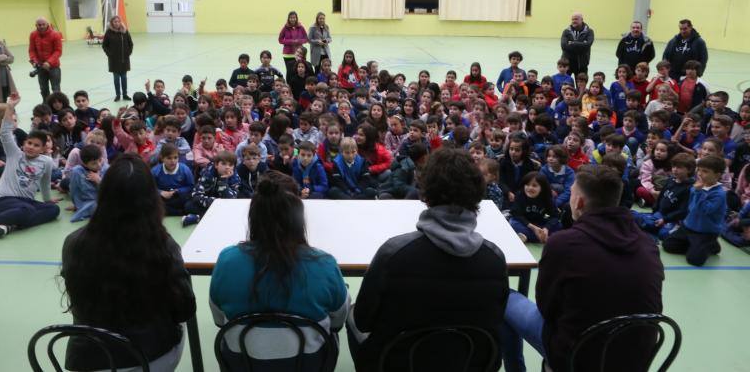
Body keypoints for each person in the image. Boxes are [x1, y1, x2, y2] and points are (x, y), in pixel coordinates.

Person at [347, 147, 509, 372]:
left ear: (425, 193)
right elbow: (495, 318)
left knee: (351, 315)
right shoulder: (495, 258)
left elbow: (364, 320)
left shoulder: (394, 253)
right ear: (477, 194)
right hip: (469, 362)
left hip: (399, 363)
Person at [500, 165, 663, 372]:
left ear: (578, 202)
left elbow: (547, 308)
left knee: (504, 297)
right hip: (635, 360)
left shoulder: (563, 244)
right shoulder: (647, 244)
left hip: (577, 357)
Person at [61, 153, 196, 371]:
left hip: (90, 358)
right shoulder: (162, 245)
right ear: (151, 199)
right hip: (147, 357)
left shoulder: (73, 243)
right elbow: (185, 310)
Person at [210, 171, 349, 369]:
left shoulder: (227, 260)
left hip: (243, 364)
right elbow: (338, 321)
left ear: (254, 215)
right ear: (298, 216)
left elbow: (219, 319)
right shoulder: (324, 264)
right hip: (309, 365)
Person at [0, 93, 59, 244]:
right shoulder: (15, 154)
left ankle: (9, 226)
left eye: (36, 145)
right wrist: (10, 107)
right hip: (2, 202)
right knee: (27, 210)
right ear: (24, 144)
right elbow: (5, 132)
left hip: (25, 203)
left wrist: (48, 200)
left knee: (53, 210)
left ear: (43, 149)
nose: (31, 147)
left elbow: (45, 184)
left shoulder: (46, 161)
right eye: (29, 143)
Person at [662, 155, 727, 266]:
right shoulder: (696, 187)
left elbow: (704, 210)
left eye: (705, 171)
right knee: (667, 245)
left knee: (694, 260)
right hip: (688, 226)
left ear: (717, 175)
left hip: (705, 232)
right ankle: (696, 246)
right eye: (699, 170)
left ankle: (711, 245)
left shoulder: (719, 194)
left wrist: (699, 192)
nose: (700, 174)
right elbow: (691, 207)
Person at [28, 17, 63, 100]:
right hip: (40, 67)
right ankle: (46, 106)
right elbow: (32, 50)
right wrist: (34, 61)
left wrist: (49, 62)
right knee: (43, 89)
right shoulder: (33, 35)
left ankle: (58, 107)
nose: (41, 26)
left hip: (54, 67)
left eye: (43, 24)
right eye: (39, 25)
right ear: (36, 25)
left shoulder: (55, 35)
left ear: (47, 24)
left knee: (56, 89)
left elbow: (58, 51)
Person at [101, 15, 134, 101]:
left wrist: (128, 53)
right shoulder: (108, 33)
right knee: (116, 79)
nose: (117, 23)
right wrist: (109, 54)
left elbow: (130, 43)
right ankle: (118, 95)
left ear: (120, 22)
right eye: (115, 22)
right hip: (114, 61)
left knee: (124, 78)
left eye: (118, 21)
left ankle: (125, 94)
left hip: (124, 60)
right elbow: (104, 45)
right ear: (112, 23)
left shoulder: (125, 31)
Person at [560, 12, 594, 77]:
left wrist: (572, 43)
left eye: (576, 19)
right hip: (567, 65)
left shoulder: (589, 32)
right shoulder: (566, 31)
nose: (574, 21)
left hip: (581, 65)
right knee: (565, 85)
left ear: (582, 20)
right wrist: (581, 44)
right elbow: (564, 46)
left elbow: (588, 45)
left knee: (581, 86)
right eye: (572, 19)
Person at [278, 10, 308, 78]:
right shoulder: (285, 28)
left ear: (296, 18)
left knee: (299, 72)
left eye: (294, 17)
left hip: (299, 54)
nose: (292, 19)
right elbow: (280, 40)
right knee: (289, 72)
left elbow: (306, 39)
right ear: (288, 19)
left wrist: (299, 41)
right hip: (288, 55)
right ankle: (289, 87)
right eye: (291, 18)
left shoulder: (301, 27)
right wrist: (291, 41)